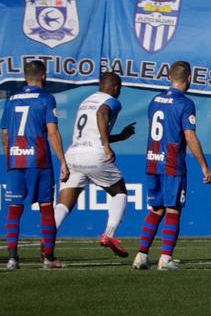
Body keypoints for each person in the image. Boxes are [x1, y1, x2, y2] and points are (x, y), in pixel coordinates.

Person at [131, 61, 211, 272]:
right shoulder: (185, 104)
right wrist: (204, 166)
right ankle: (166, 258)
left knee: (156, 208)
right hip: (172, 163)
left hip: (152, 160)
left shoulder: (154, 100)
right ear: (189, 79)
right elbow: (189, 136)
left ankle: (141, 255)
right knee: (173, 210)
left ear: (169, 78)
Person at [50, 70, 136, 258]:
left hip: (74, 154)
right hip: (94, 155)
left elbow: (92, 131)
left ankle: (48, 238)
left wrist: (120, 137)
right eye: (118, 89)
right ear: (115, 88)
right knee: (119, 192)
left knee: (64, 203)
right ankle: (110, 235)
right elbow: (101, 114)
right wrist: (106, 145)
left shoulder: (86, 101)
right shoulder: (112, 101)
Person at [2, 59, 67, 271]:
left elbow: (5, 134)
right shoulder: (46, 99)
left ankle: (12, 258)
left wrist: (10, 156)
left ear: (24, 76)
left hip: (16, 158)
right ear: (43, 76)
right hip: (38, 159)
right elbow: (52, 132)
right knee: (46, 208)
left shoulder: (11, 100)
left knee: (14, 209)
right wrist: (63, 161)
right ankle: (48, 258)